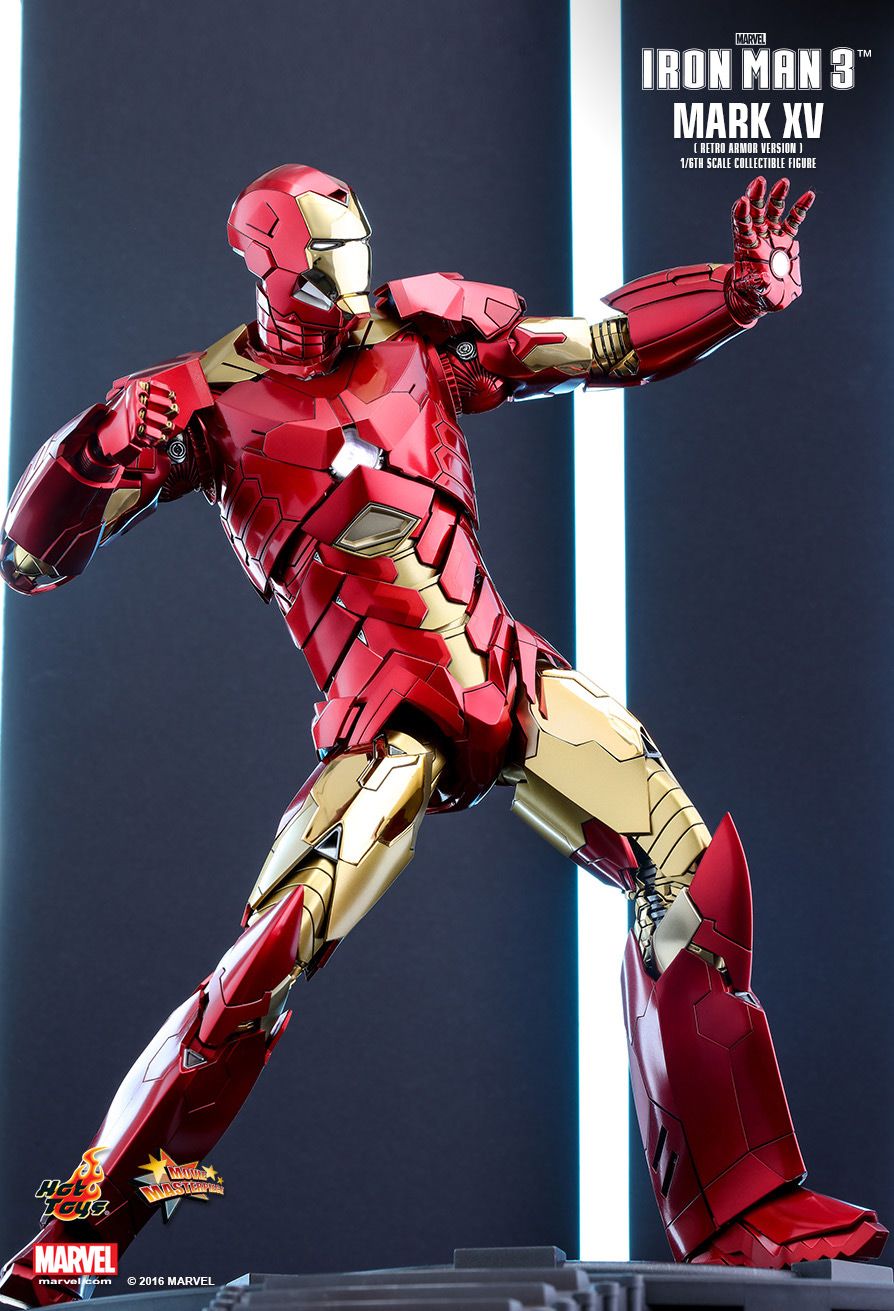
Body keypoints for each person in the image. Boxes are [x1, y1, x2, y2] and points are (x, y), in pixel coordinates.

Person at [0, 165, 884, 1305]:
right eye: (320, 271)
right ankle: (75, 1244)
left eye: (352, 260)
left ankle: (744, 1214)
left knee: (686, 870)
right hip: (385, 721)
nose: (345, 291)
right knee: (260, 969)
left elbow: (601, 343)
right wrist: (97, 446)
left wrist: (736, 293)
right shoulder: (196, 406)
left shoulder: (421, 337)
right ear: (266, 268)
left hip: (505, 670)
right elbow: (30, 557)